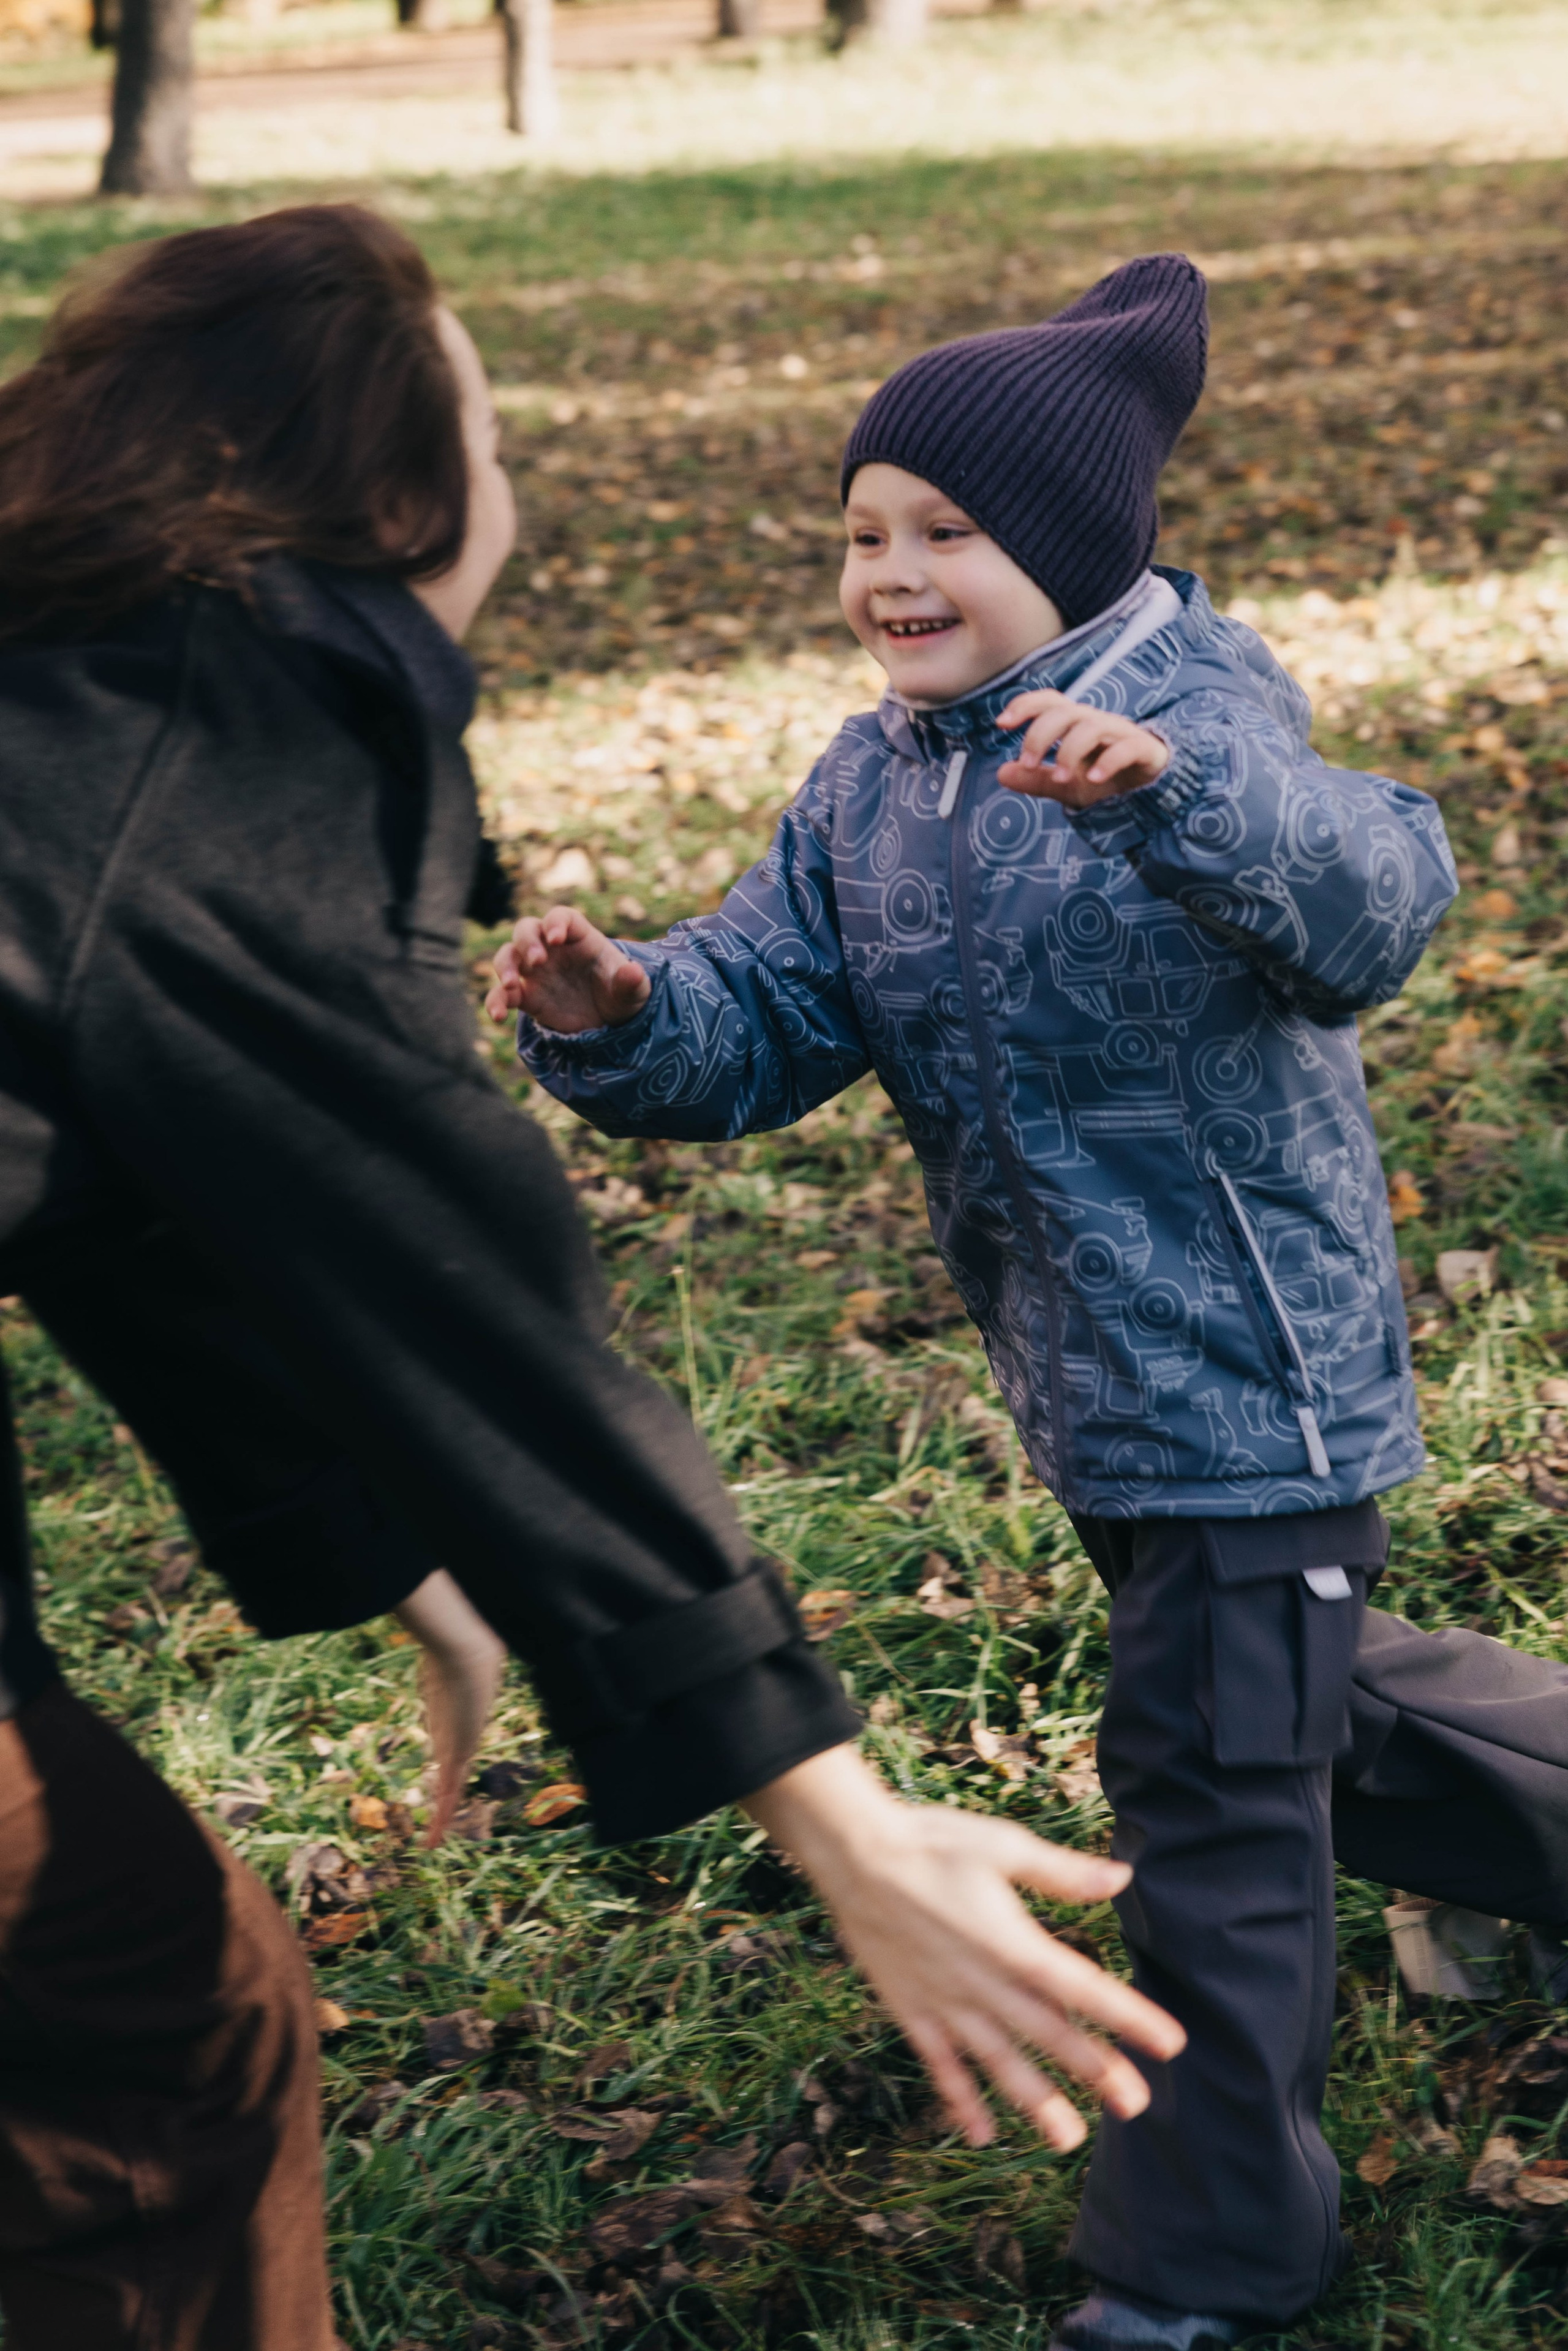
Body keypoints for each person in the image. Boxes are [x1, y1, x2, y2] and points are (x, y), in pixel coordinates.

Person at [0, 206, 1185, 2351]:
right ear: (396, 493)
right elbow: (454, 1261)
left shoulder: (67, 715)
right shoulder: (208, 743)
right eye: (488, 419)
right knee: (151, 2016)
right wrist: (832, 1809)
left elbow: (144, 1210)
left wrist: (398, 1552)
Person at [491, 255, 1568, 2347]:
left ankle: (1209, 2257)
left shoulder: (1195, 715)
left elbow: (1381, 894)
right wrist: (626, 1013)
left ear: (1069, 554)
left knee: (1216, 1799)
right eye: (863, 535)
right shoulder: (876, 777)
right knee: (1299, 1722)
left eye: (946, 535)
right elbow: (771, 1006)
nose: (892, 575)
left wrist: (1173, 804)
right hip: (1089, 1380)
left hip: (1259, 1380)